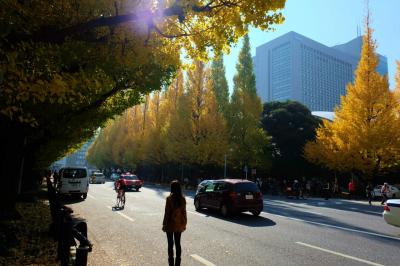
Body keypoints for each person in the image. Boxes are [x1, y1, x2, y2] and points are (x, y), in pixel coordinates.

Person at [162, 180, 187, 266]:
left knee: (170, 244)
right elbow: (184, 213)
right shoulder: (182, 199)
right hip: (179, 224)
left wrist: (164, 224)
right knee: (178, 243)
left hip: (169, 224)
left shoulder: (169, 199)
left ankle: (171, 263)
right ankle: (178, 263)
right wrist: (184, 224)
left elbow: (167, 213)